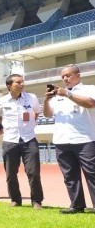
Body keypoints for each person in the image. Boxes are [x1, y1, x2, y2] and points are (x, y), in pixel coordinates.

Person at [43, 64, 95, 214]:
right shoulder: (58, 95)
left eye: (68, 75)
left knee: (92, 173)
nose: (65, 78)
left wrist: (68, 94)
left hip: (85, 139)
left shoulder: (89, 88)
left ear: (78, 75)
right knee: (70, 175)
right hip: (61, 140)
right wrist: (47, 100)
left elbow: (91, 103)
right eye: (63, 76)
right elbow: (47, 114)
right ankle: (77, 205)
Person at [0, 74, 44, 210]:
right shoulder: (1, 101)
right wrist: (8, 126)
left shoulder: (31, 98)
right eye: (18, 82)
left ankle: (37, 201)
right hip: (10, 140)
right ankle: (15, 199)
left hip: (29, 140)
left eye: (22, 82)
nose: (22, 84)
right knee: (10, 174)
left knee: (33, 172)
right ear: (9, 86)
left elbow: (37, 113)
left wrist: (29, 124)